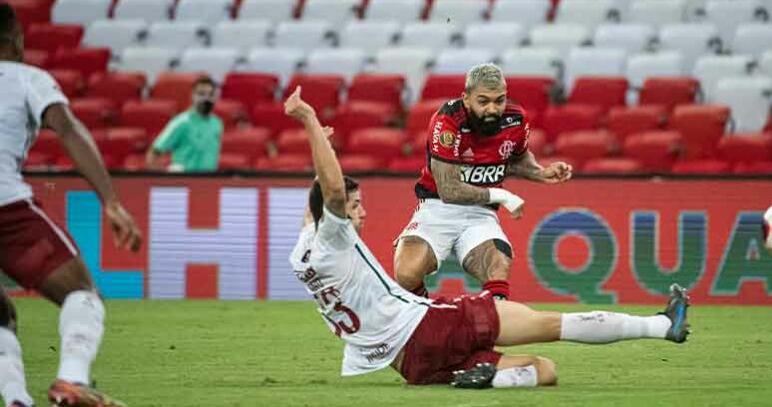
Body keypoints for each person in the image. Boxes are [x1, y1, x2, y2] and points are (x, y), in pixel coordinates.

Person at [284, 85, 691, 389]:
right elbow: (332, 192)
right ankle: (661, 326)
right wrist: (310, 123)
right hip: (430, 326)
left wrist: (320, 157)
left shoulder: (303, 253)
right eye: (356, 207)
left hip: (412, 364)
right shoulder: (334, 238)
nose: (362, 212)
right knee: (552, 323)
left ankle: (487, 380)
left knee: (544, 372)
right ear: (333, 216)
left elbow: (320, 199)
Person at [0, 2, 142, 406]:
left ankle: (15, 400)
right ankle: (71, 382)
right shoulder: (28, 78)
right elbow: (67, 126)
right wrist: (111, 201)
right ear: (17, 39)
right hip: (5, 208)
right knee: (82, 293)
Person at [394, 63, 573, 300]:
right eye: (483, 101)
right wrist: (502, 196)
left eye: (499, 101)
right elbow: (449, 190)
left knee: (498, 264)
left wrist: (541, 172)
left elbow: (516, 158)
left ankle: (494, 322)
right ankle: (426, 313)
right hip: (437, 208)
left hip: (480, 213)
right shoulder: (447, 121)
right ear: (466, 98)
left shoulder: (516, 119)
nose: (492, 109)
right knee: (406, 274)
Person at [145, 76, 223, 172]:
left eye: (210, 94)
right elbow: (154, 152)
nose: (206, 98)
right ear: (193, 95)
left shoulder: (217, 123)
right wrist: (162, 179)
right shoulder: (181, 122)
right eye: (201, 94)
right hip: (186, 181)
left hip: (209, 182)